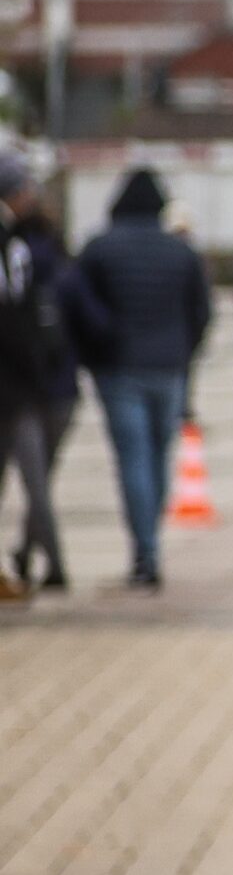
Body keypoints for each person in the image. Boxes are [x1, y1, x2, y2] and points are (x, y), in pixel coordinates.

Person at [77, 168, 210, 591]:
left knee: (133, 458)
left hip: (119, 369)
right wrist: (184, 352)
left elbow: (75, 304)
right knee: (158, 456)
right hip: (169, 368)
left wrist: (94, 352)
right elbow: (202, 312)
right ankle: (150, 543)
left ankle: (145, 551)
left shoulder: (99, 249)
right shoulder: (181, 251)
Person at [0, 154, 72, 593]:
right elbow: (16, 318)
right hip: (21, 384)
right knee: (36, 478)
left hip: (25, 382)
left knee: (34, 477)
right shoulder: (20, 246)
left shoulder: (24, 243)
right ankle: (52, 563)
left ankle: (37, 558)